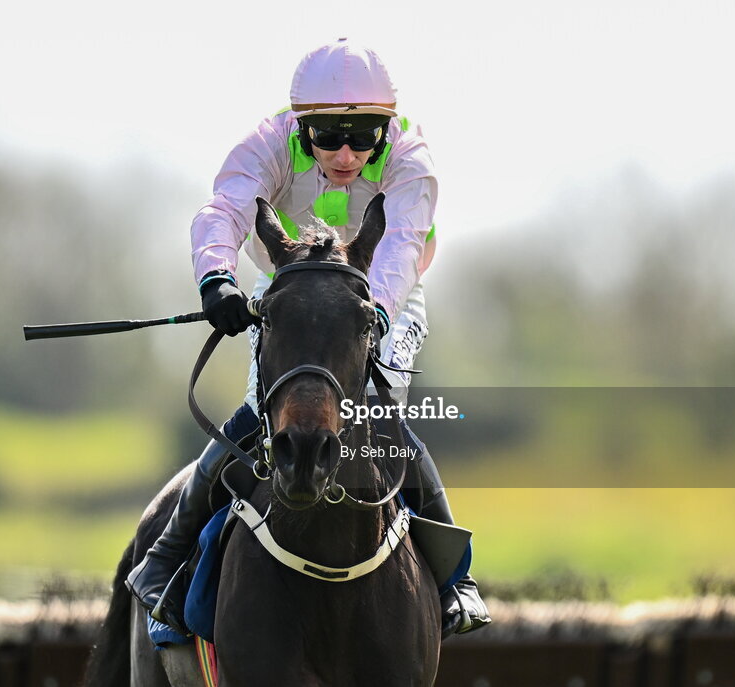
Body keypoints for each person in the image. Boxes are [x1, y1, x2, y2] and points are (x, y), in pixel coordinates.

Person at [126, 38, 490, 639]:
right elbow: (222, 213)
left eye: (362, 137)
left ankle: (456, 581)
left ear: (386, 129)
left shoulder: (410, 155)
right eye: (327, 137)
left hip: (381, 296)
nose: (345, 153)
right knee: (256, 413)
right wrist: (216, 280)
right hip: (291, 293)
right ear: (302, 127)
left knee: (378, 418)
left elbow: (400, 247)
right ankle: (166, 555)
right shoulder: (268, 143)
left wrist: (362, 312)